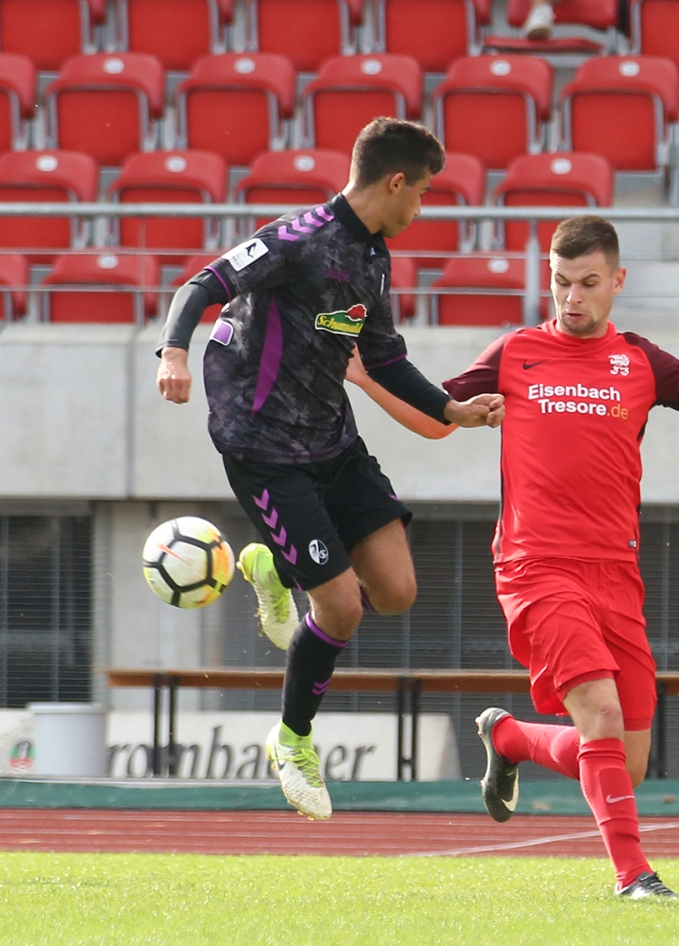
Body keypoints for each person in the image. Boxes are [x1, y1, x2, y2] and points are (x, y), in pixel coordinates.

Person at [438, 215, 679, 898]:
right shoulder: (515, 351)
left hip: (615, 572)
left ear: (617, 281)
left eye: (588, 282)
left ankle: (511, 738)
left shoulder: (641, 361)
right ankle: (635, 876)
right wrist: (368, 377)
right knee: (601, 718)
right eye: (560, 282)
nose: (571, 296)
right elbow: (434, 413)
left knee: (624, 763)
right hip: (536, 565)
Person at [155, 117, 504, 821]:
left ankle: (272, 565)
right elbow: (202, 283)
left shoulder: (373, 258)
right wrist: (173, 353)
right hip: (264, 448)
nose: (421, 208)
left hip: (333, 442)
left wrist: (452, 409)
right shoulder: (297, 238)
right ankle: (292, 740)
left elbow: (384, 358)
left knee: (397, 591)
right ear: (395, 181)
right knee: (341, 606)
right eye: (423, 192)